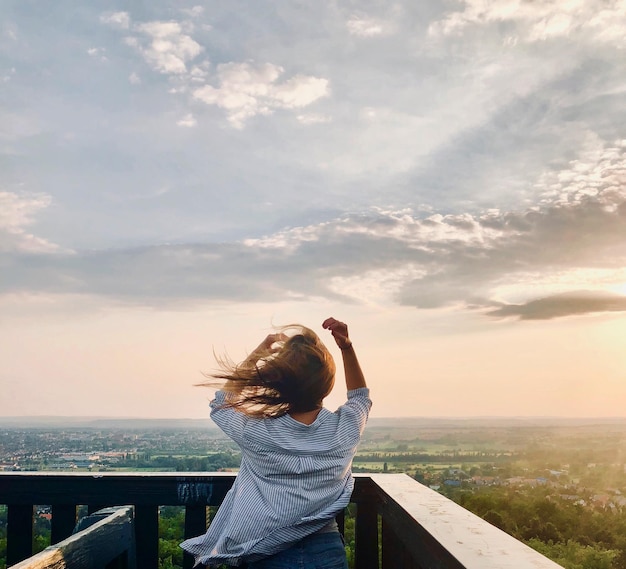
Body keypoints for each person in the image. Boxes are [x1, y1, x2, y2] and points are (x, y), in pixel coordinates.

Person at [180, 317, 371, 568]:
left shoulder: (257, 432)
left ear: (281, 386)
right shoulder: (344, 430)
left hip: (265, 553)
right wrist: (346, 347)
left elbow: (221, 404)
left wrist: (257, 355)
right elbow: (360, 398)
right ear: (326, 384)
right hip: (327, 552)